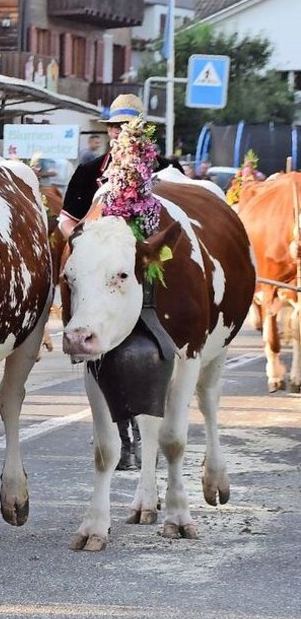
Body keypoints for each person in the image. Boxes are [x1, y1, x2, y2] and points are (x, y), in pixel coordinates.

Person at [58, 93, 176, 471]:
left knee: (151, 352)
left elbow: (171, 228)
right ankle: (122, 436)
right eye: (114, 126)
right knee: (103, 356)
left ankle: (145, 432)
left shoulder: (162, 171)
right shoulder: (89, 170)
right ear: (108, 130)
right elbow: (66, 221)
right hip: (99, 284)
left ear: (140, 132)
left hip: (145, 279)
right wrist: (79, 240)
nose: (119, 133)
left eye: (128, 127)